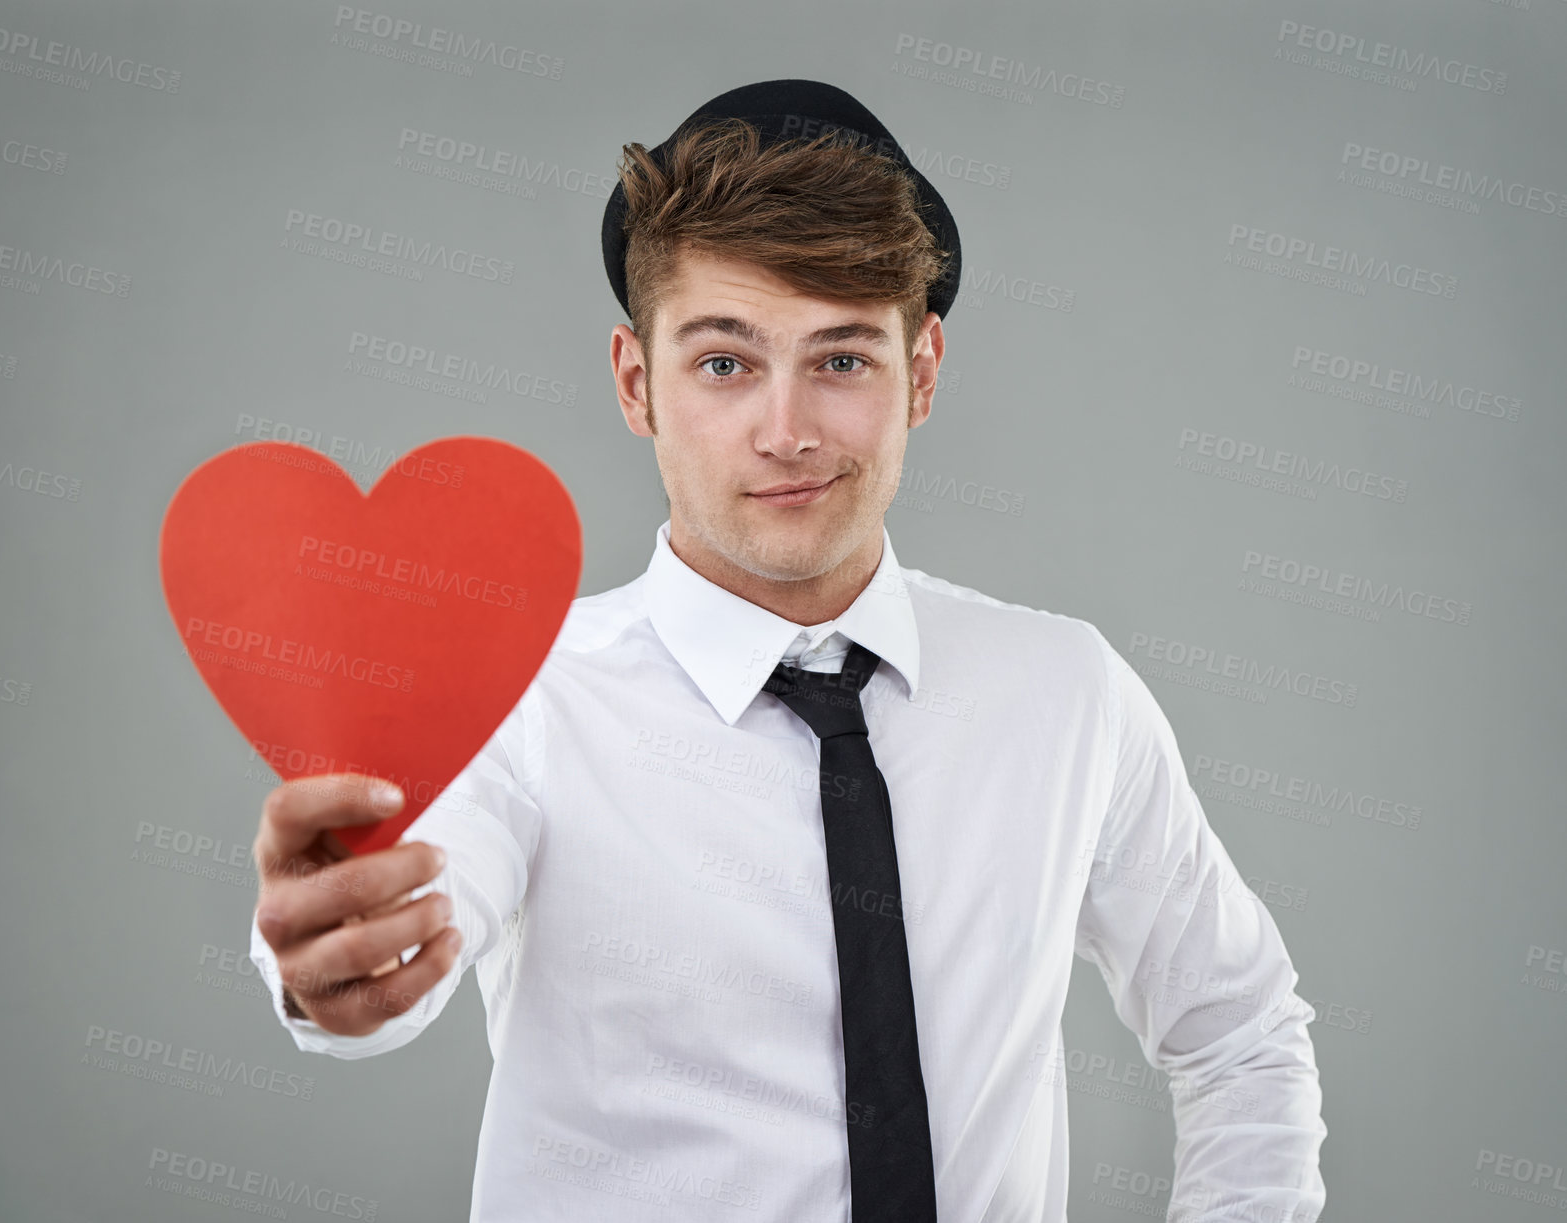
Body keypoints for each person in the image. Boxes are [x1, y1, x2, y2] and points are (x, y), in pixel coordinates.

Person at [247, 79, 1326, 1222]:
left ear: (920, 372)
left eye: (842, 359)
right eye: (723, 362)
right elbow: (409, 919)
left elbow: (1241, 1030)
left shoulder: (1065, 692)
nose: (786, 429)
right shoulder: (519, 694)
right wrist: (338, 972)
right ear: (634, 381)